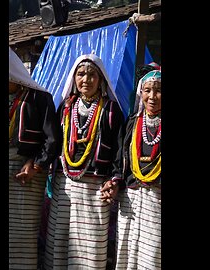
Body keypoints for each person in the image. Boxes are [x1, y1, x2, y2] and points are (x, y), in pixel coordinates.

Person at [44, 54, 124, 269]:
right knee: (59, 239)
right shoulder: (66, 107)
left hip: (94, 186)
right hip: (65, 184)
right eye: (81, 74)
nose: (86, 80)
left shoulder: (110, 110)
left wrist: (114, 179)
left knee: (89, 244)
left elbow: (118, 148)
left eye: (91, 75)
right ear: (74, 78)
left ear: (101, 80)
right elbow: (53, 141)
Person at [8, 47, 59, 269]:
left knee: (21, 229)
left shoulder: (39, 97)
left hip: (26, 172)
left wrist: (36, 164)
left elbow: (52, 138)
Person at [115, 69, 162, 269]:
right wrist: (116, 180)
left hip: (157, 197)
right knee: (126, 248)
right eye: (147, 90)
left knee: (153, 252)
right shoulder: (133, 123)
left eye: (159, 91)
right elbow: (121, 157)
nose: (152, 96)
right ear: (140, 93)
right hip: (131, 198)